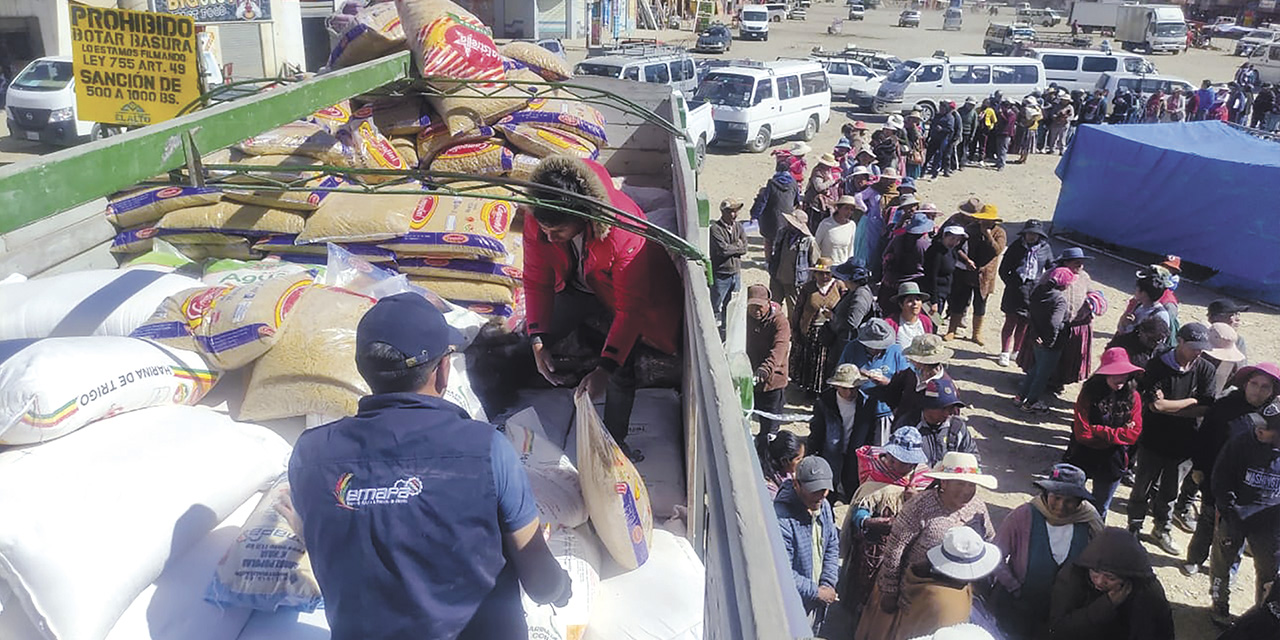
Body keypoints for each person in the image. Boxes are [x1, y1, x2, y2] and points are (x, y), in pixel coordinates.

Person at [288, 293, 572, 639]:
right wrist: (560, 588)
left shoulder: (310, 455)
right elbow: (541, 584)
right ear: (443, 370)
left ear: (364, 369)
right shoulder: (486, 449)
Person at [524, 157, 683, 462]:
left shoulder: (623, 230)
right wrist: (537, 339)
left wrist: (604, 368)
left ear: (582, 216)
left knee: (622, 366)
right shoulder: (539, 216)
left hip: (619, 293)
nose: (548, 238)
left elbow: (630, 308)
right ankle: (573, 377)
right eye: (544, 229)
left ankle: (614, 443)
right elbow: (535, 278)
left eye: (556, 231)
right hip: (577, 283)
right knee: (542, 338)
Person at [855, 452, 997, 640]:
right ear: (944, 483)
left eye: (971, 485)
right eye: (960, 483)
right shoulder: (920, 507)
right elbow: (895, 550)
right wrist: (889, 591)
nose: (966, 490)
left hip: (958, 590)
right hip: (915, 593)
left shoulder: (978, 508)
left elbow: (988, 538)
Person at [1127, 322, 1217, 555]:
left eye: (1202, 347)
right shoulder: (1157, 365)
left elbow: (1206, 408)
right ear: (1181, 341)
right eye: (1194, 346)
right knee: (1141, 488)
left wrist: (1171, 405)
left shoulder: (1206, 369)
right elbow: (1155, 406)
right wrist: (1191, 400)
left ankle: (1161, 529)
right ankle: (1134, 528)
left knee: (1169, 492)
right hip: (1153, 439)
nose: (1198, 352)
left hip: (1185, 443)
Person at [1184, 363, 1280, 578]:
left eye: (1265, 387)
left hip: (1251, 485)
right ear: (1245, 384)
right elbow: (1203, 439)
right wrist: (1198, 467)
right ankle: (1195, 558)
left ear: (1273, 391)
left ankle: (1228, 569)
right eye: (1254, 384)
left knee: (1236, 531)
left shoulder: (1275, 417)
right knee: (1208, 519)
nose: (1258, 390)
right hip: (1217, 477)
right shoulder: (1224, 407)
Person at [990, 464, 1105, 639]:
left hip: (1067, 611)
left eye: (1069, 501)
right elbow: (995, 555)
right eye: (1056, 497)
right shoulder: (1023, 516)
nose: (1061, 506)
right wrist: (1014, 587)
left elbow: (1101, 561)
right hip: (1021, 607)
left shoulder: (1089, 521)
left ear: (1080, 501)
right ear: (1046, 494)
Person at [837, 427, 932, 628]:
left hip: (901, 553)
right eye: (901, 461)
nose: (906, 466)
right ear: (889, 456)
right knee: (863, 592)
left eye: (910, 463)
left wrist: (915, 501)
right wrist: (867, 522)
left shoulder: (922, 480)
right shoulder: (876, 478)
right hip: (871, 551)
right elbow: (860, 511)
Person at [1207, 403, 1280, 627]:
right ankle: (1219, 604)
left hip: (1270, 524)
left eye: (1268, 428)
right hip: (1235, 516)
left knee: (1269, 571)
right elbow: (1221, 475)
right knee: (1223, 563)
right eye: (1259, 424)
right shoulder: (1241, 443)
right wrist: (1228, 507)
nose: (1260, 430)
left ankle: (1263, 613)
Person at [1044, 527, 1175, 639]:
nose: (1100, 581)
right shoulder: (1073, 577)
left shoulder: (1148, 592)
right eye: (1095, 572)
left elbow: (1159, 633)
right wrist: (1106, 605)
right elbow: (1059, 629)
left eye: (1111, 578)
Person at [1065, 348, 1144, 516]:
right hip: (1082, 455)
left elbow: (1134, 434)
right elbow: (1082, 434)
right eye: (1114, 373)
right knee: (1069, 502)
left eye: (1123, 374)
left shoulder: (1134, 397)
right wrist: (1117, 435)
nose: (1120, 379)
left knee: (1100, 508)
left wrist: (1098, 430)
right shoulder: (1088, 393)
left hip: (1113, 461)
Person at [776, 455, 842, 632]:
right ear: (796, 484)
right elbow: (782, 571)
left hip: (816, 600)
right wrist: (817, 592)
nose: (821, 496)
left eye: (825, 490)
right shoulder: (782, 519)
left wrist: (827, 582)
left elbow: (831, 545)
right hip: (793, 605)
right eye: (814, 490)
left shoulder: (823, 505)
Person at [840, 318, 912, 452]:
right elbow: (840, 374)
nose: (876, 349)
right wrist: (855, 374)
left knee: (880, 452)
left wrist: (887, 382)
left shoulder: (896, 351)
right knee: (855, 449)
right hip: (855, 408)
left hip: (884, 410)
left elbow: (906, 383)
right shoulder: (852, 348)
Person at [941, 202, 1005, 346]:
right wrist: (967, 260)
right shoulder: (970, 229)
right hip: (966, 273)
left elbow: (997, 250)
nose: (986, 222)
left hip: (985, 276)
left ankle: (976, 333)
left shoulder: (999, 233)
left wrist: (988, 236)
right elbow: (957, 247)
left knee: (980, 305)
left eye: (989, 220)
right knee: (959, 302)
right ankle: (952, 329)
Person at [1017, 267, 1076, 413]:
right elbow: (1054, 323)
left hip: (1036, 336)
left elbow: (1032, 314)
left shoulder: (1038, 291)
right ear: (1065, 284)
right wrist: (1050, 341)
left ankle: (1020, 396)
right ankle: (1030, 402)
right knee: (1043, 374)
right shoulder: (1060, 300)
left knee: (1035, 368)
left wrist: (1036, 334)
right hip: (1051, 342)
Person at [998, 220, 1052, 367]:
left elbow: (1050, 268)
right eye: (1029, 233)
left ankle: (1016, 350)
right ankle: (1004, 352)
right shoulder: (1016, 246)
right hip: (1015, 289)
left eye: (1034, 234)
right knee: (1010, 321)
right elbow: (1003, 269)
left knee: (1024, 323)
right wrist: (1011, 283)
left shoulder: (1045, 248)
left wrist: (1043, 285)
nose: (1031, 236)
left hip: (1033, 290)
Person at [811, 364, 869, 498]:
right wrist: (813, 454)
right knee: (829, 491)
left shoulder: (865, 402)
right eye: (845, 388)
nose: (850, 393)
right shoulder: (825, 402)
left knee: (851, 491)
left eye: (854, 389)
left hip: (854, 454)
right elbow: (817, 431)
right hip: (830, 454)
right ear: (836, 386)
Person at [793, 258, 847, 393]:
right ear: (815, 274)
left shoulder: (839, 286)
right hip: (811, 330)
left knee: (826, 362)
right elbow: (798, 310)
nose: (824, 276)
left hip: (830, 331)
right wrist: (796, 330)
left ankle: (825, 389)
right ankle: (810, 388)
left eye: (828, 273)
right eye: (820, 273)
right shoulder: (808, 288)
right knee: (810, 361)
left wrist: (833, 317)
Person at [748, 284, 791, 449]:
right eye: (752, 306)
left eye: (759, 306)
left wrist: (764, 370)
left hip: (773, 383)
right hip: (750, 381)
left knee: (769, 431)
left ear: (768, 303)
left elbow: (779, 350)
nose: (756, 310)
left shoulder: (780, 322)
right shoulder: (744, 319)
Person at [886, 333, 955, 431]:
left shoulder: (947, 387)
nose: (911, 361)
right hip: (902, 429)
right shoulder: (909, 373)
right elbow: (893, 392)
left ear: (925, 364)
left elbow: (950, 416)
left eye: (914, 360)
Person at [879, 214, 934, 316]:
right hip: (913, 285)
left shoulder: (897, 239)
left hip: (891, 283)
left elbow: (885, 255)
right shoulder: (924, 244)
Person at [823, 260, 876, 363]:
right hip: (841, 344)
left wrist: (832, 317)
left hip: (849, 346)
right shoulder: (853, 291)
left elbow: (852, 322)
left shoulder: (860, 295)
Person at [770, 209, 819, 317]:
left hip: (795, 282)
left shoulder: (809, 241)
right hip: (777, 277)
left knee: (794, 311)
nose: (788, 224)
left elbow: (815, 262)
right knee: (773, 307)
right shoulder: (782, 233)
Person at [709, 198, 747, 336]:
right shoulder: (715, 229)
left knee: (732, 306)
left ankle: (726, 331)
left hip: (735, 273)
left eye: (736, 211)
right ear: (724, 212)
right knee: (716, 305)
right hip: (721, 274)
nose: (734, 214)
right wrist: (737, 245)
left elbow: (745, 248)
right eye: (731, 211)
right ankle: (713, 332)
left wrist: (734, 247)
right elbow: (723, 250)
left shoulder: (739, 227)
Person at [753, 153, 801, 258]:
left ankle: (768, 261)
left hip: (771, 218)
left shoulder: (771, 183)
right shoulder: (793, 183)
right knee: (783, 241)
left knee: (768, 240)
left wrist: (755, 215)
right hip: (787, 219)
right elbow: (797, 200)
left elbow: (763, 201)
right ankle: (780, 261)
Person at [854, 167, 899, 280]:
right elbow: (858, 197)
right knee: (871, 247)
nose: (888, 182)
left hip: (888, 225)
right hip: (873, 223)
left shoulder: (896, 193)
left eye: (891, 179)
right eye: (886, 179)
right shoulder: (874, 189)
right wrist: (866, 209)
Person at [1115, 266, 1176, 340]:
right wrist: (1127, 320)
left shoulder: (1161, 314)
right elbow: (1121, 330)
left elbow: (1155, 343)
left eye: (1137, 289)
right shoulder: (1138, 305)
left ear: (1143, 293)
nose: (1135, 291)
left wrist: (1135, 326)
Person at [922, 225, 965, 319]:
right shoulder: (936, 252)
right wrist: (934, 301)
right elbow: (931, 276)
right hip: (934, 294)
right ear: (944, 236)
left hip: (943, 292)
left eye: (958, 239)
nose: (954, 242)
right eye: (952, 238)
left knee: (935, 322)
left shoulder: (951, 251)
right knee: (931, 322)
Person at [885, 282, 936, 349]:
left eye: (917, 299)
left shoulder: (926, 321)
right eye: (910, 301)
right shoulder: (890, 323)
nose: (915, 303)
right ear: (901, 304)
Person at [815, 195, 863, 265]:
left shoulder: (852, 225)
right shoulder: (826, 224)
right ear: (838, 208)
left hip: (842, 268)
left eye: (851, 209)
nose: (849, 212)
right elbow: (816, 245)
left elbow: (850, 248)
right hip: (826, 268)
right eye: (846, 208)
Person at [761, 429, 806, 499]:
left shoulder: (788, 473)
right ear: (784, 461)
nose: (802, 462)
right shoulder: (770, 488)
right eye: (798, 459)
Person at [804, 153, 842, 232]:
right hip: (815, 203)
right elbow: (819, 187)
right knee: (815, 224)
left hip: (825, 201)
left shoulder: (826, 171)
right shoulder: (818, 172)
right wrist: (831, 182)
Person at [926, 102, 956, 178]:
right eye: (940, 108)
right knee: (928, 155)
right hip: (934, 138)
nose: (941, 110)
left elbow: (950, 129)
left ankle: (935, 173)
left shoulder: (949, 118)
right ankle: (923, 171)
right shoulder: (937, 116)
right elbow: (931, 126)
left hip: (942, 140)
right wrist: (928, 137)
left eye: (942, 108)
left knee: (938, 156)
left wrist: (942, 129)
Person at [957, 97, 978, 168]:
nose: (971, 106)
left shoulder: (974, 113)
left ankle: (962, 163)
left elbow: (974, 126)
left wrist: (972, 135)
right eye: (970, 104)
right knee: (958, 148)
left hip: (967, 134)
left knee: (964, 149)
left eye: (973, 105)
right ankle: (956, 162)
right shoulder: (960, 111)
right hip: (959, 133)